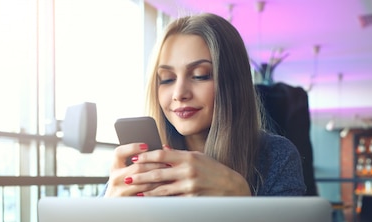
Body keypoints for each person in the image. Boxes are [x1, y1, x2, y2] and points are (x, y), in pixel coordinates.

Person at [104, 13, 306, 197]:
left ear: (233, 82)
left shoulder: (276, 156)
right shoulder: (139, 163)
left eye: (200, 75)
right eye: (166, 79)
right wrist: (107, 208)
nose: (179, 94)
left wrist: (242, 199)